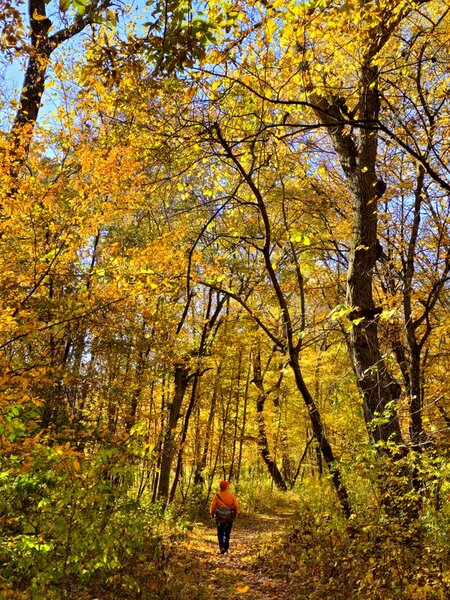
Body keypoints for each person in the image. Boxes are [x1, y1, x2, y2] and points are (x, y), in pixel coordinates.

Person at [210, 480, 239, 554]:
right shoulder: (231, 495)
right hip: (229, 518)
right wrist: (235, 515)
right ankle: (226, 547)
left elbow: (213, 507)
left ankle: (222, 547)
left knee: (220, 533)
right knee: (227, 533)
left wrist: (212, 515)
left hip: (219, 518)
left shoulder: (217, 496)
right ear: (227, 487)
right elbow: (236, 506)